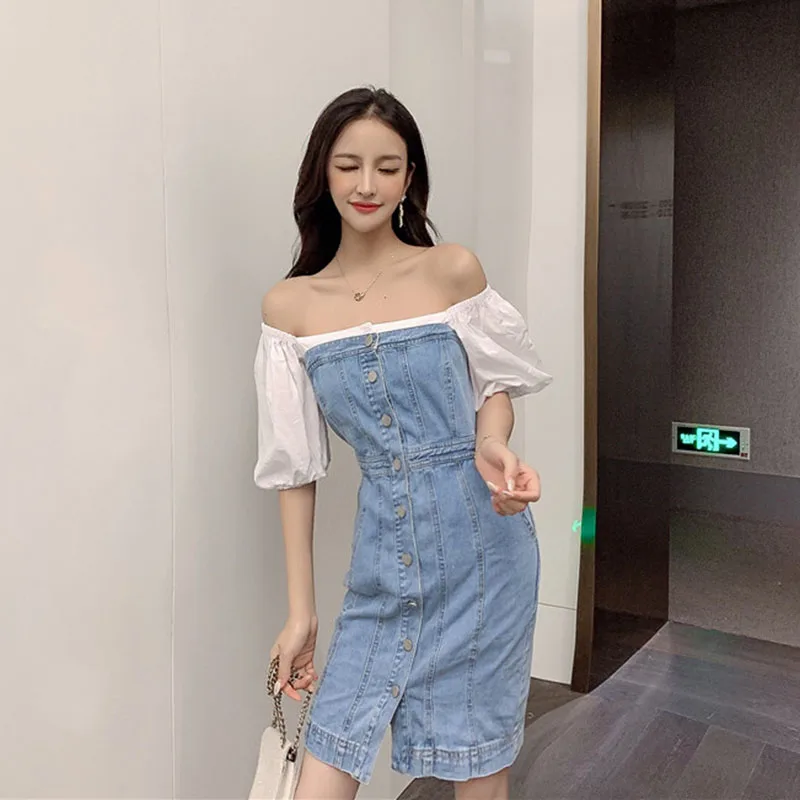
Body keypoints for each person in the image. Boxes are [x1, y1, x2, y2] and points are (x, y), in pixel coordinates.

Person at [254, 86, 552, 800]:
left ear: (410, 175)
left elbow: (493, 386)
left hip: (486, 555)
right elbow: (296, 470)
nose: (367, 185)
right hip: (381, 566)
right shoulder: (290, 308)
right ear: (322, 172)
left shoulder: (451, 270)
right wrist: (302, 612)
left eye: (387, 167)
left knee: (478, 773)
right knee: (322, 772)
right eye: (348, 165)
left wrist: (491, 444)